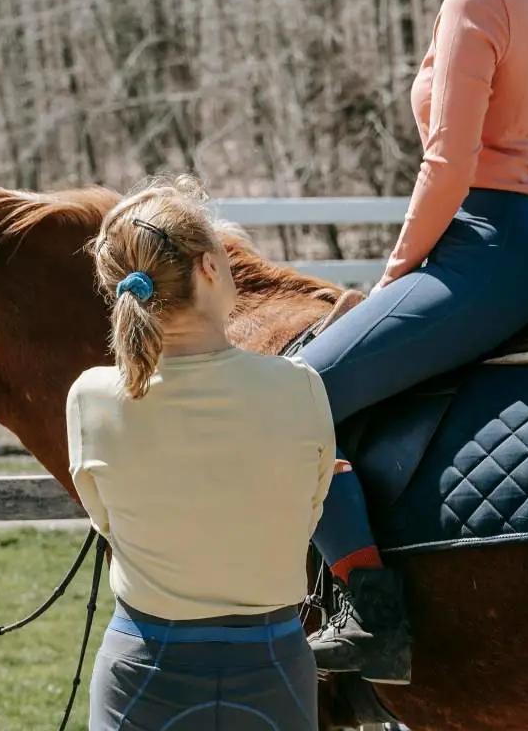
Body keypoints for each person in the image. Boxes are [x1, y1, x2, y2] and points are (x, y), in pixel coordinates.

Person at [300, 0, 528, 685]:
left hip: (486, 248)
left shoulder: (473, 1)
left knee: (297, 395)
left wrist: (395, 275)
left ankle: (370, 610)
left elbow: (446, 167)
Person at [67, 175, 335, 730]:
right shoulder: (300, 387)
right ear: (209, 269)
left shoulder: (90, 398)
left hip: (144, 665)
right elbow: (310, 511)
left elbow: (106, 522)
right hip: (273, 665)